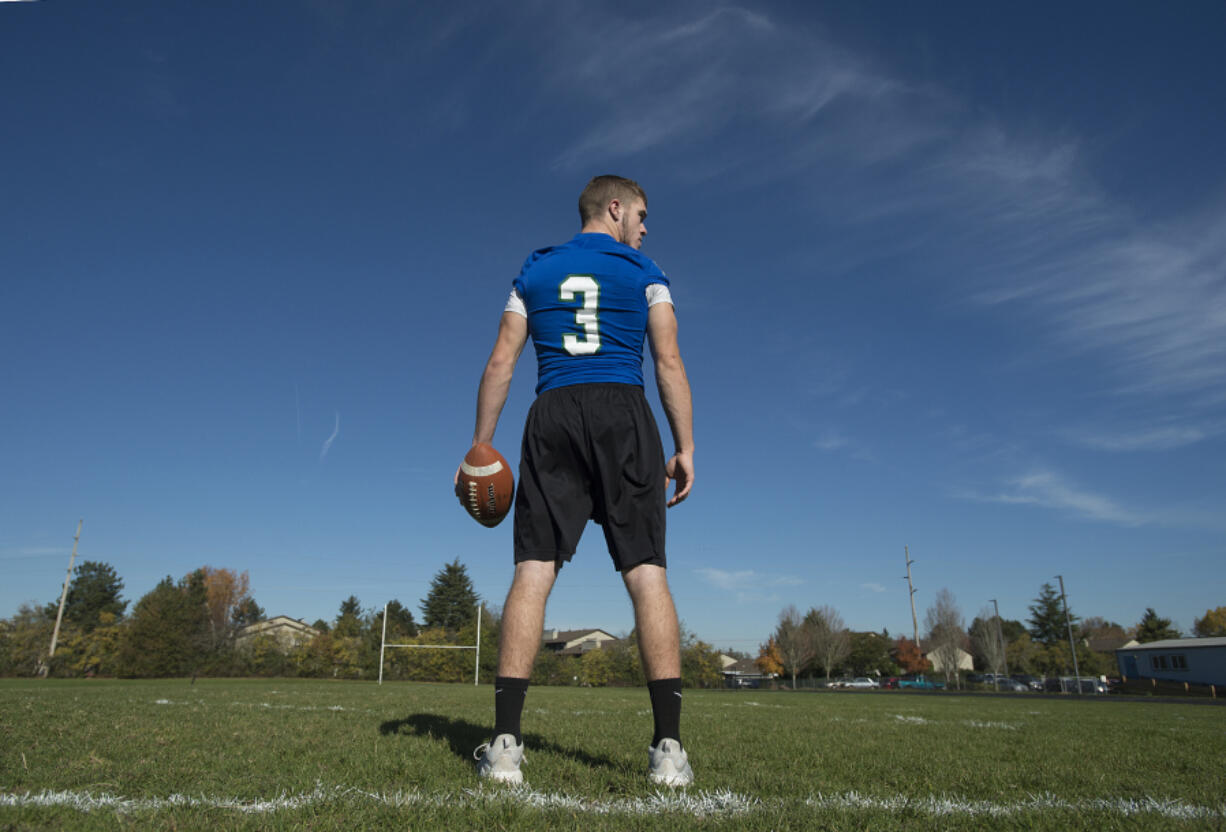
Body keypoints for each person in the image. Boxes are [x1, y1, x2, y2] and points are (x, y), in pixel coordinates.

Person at [467, 175, 695, 787]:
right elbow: (668, 360)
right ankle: (668, 751)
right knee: (647, 575)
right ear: (614, 209)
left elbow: (500, 362)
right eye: (641, 214)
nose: (645, 228)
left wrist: (481, 445)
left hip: (554, 414)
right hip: (624, 410)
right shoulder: (647, 271)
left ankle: (506, 746)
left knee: (532, 574)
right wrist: (686, 447)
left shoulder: (533, 271)